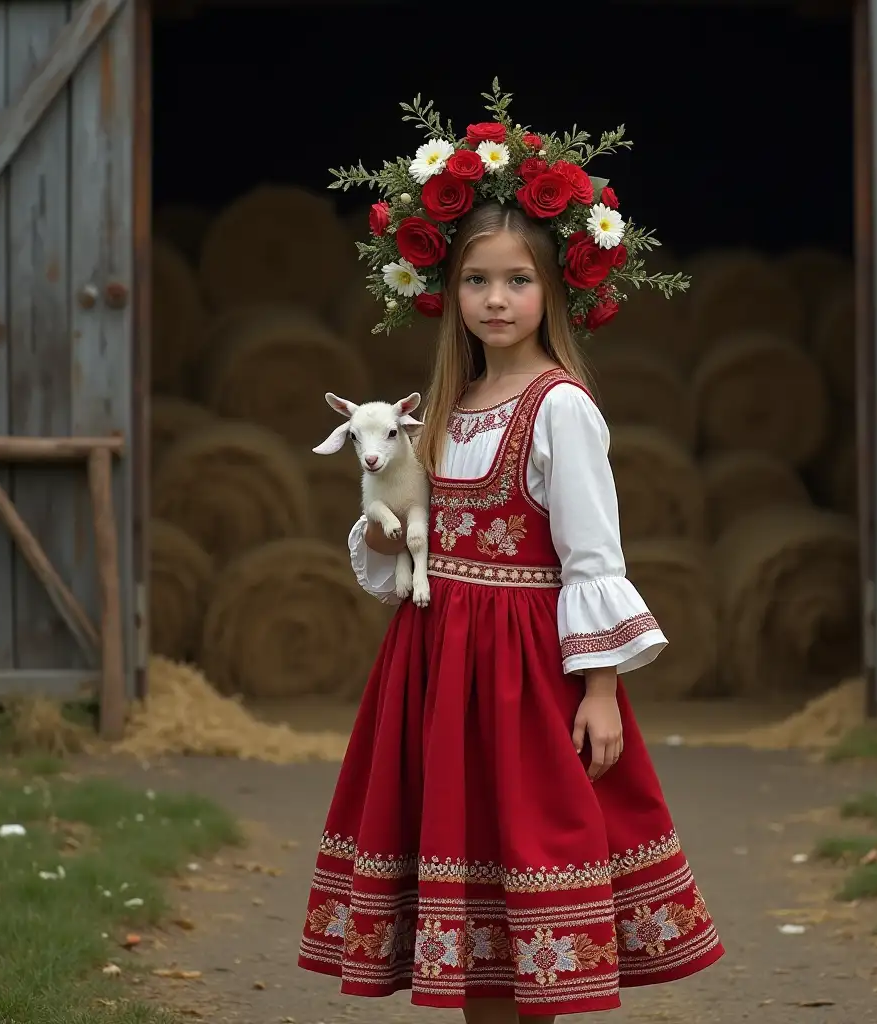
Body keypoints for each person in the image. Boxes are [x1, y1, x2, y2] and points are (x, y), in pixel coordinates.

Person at [298, 83, 724, 1022]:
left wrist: (603, 689)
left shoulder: (560, 407)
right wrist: (380, 529)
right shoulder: (441, 409)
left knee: (530, 883)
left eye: (518, 280)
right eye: (478, 280)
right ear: (447, 291)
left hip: (524, 676)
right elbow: (416, 537)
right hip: (438, 664)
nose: (496, 299)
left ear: (555, 288)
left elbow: (590, 556)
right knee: (469, 907)